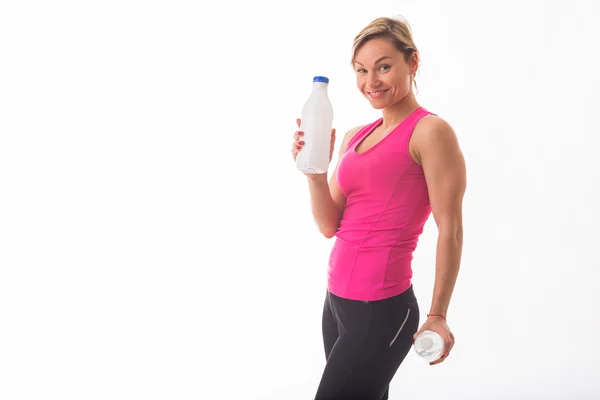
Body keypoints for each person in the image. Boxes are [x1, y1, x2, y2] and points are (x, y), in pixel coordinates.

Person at [291, 15, 467, 400]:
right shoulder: (356, 136)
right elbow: (329, 225)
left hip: (381, 309)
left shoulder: (430, 132)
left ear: (412, 63)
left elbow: (450, 227)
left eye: (384, 67)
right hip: (336, 303)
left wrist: (438, 313)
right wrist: (314, 172)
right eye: (361, 71)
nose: (371, 82)